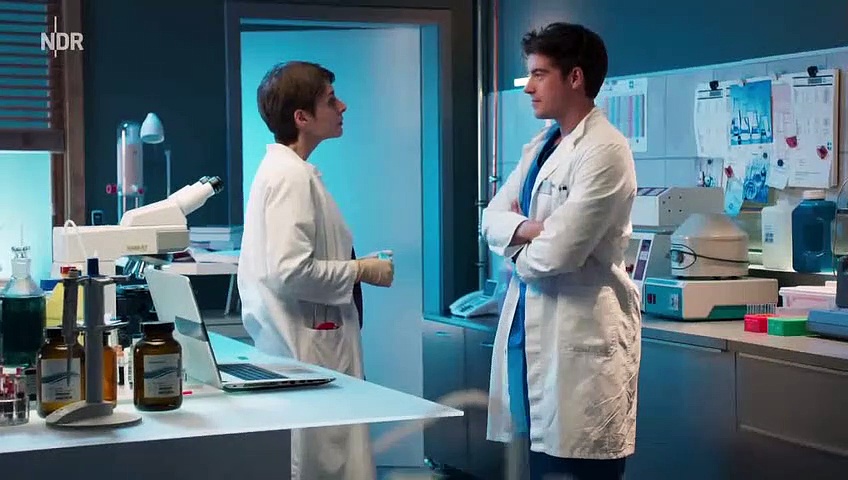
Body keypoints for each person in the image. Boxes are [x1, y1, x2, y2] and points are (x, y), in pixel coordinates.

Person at [481, 23, 641, 480]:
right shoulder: (543, 145)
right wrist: (533, 230)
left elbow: (558, 256)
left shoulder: (605, 150)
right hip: (533, 336)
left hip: (579, 346)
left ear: (575, 77)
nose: (528, 87)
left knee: (577, 467)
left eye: (539, 74)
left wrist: (515, 246)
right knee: (540, 463)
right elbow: (490, 219)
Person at [238, 60, 395, 480]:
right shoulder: (290, 178)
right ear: (301, 117)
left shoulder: (289, 172)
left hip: (304, 350)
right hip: (306, 353)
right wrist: (359, 270)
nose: (342, 106)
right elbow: (290, 272)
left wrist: (353, 266)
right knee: (322, 462)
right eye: (330, 100)